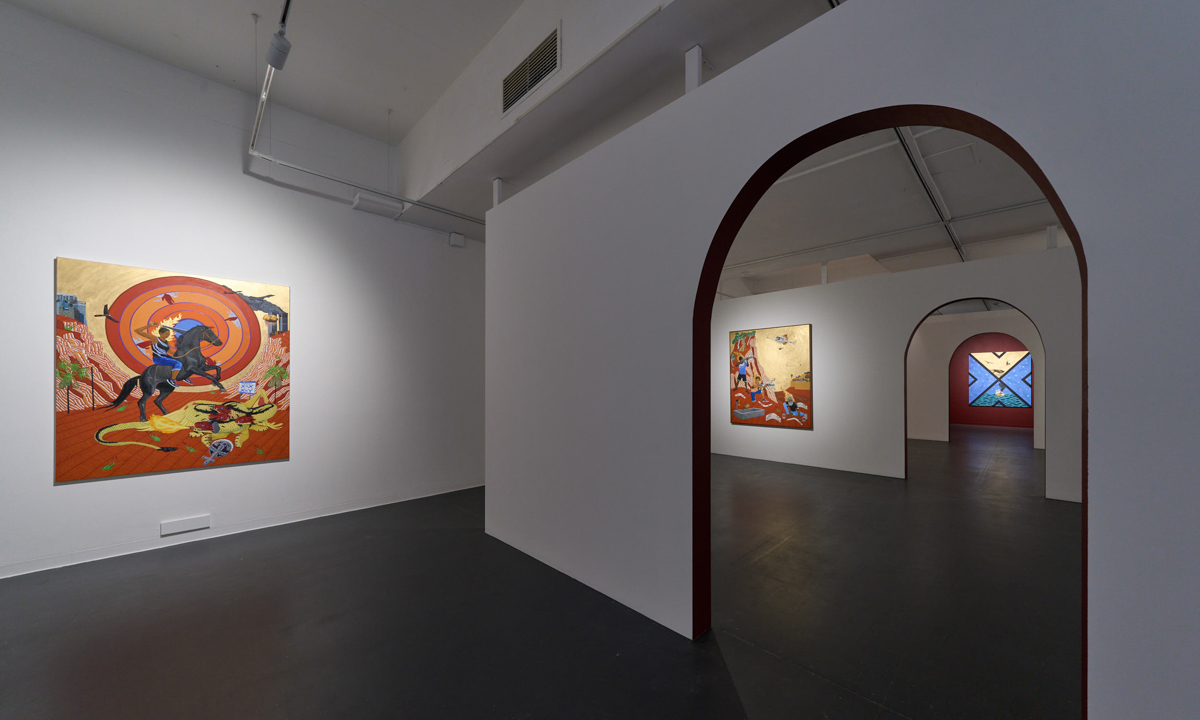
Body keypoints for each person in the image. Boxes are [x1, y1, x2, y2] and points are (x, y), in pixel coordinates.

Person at [134, 322, 184, 388]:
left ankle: (183, 376)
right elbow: (137, 331)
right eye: (166, 334)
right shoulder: (155, 339)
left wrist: (180, 354)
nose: (167, 336)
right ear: (160, 333)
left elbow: (169, 351)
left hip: (165, 357)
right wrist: (149, 326)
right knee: (178, 364)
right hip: (158, 358)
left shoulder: (166, 342)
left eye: (168, 334)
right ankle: (172, 380)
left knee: (182, 360)